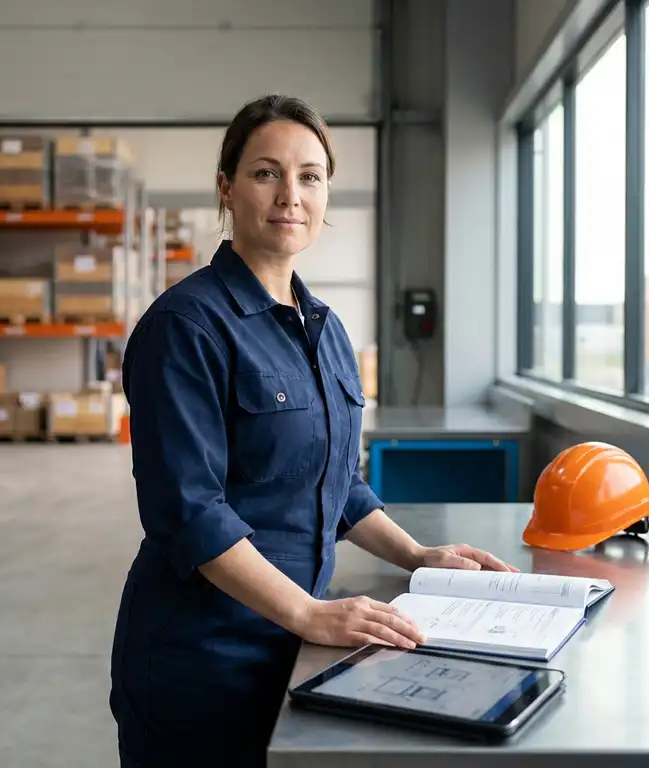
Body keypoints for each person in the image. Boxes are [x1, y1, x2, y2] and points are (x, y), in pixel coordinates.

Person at [109, 94, 516, 768]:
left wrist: (417, 555)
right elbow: (189, 513)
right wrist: (308, 614)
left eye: (310, 176)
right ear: (227, 191)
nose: (290, 195)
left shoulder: (323, 328)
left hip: (292, 645)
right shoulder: (185, 328)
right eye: (266, 173)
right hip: (202, 660)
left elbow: (339, 485)